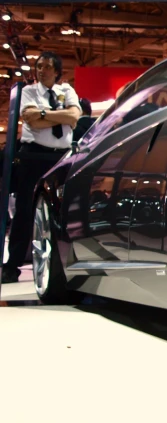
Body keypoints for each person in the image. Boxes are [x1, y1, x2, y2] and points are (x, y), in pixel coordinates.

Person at [1, 51, 81, 283]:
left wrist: (44, 114)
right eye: (39, 66)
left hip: (61, 159)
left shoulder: (66, 91)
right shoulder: (28, 91)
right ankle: (12, 265)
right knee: (25, 211)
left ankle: (64, 266)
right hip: (33, 156)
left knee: (62, 212)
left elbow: (75, 116)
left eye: (47, 66)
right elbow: (31, 119)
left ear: (56, 71)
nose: (41, 70)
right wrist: (61, 116)